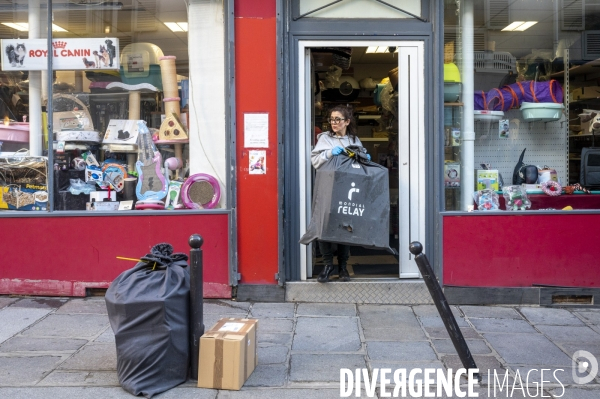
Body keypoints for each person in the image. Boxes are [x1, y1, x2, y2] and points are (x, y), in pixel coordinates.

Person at [310, 105, 370, 283]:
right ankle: (328, 266)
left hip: (347, 190)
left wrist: (364, 157)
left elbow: (362, 161)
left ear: (347, 121)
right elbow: (315, 162)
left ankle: (343, 267)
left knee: (346, 226)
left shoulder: (354, 139)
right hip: (327, 188)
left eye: (338, 119)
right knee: (324, 226)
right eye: (332, 119)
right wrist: (329, 152)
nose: (334, 123)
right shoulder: (325, 139)